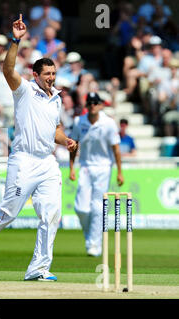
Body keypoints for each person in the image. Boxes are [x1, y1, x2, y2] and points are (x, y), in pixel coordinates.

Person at [0, 15, 77, 282]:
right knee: (8, 213)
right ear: (35, 75)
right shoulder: (24, 89)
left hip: (47, 162)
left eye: (53, 74)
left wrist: (66, 140)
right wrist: (15, 40)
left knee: (51, 215)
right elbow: (8, 70)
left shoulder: (55, 98)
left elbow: (54, 129)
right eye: (47, 74)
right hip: (23, 160)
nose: (51, 78)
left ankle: (39, 268)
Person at [69, 92, 124, 257]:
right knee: (81, 208)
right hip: (85, 166)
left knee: (97, 206)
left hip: (103, 167)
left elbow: (116, 149)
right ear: (87, 105)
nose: (93, 105)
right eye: (90, 102)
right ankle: (90, 237)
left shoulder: (108, 123)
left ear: (100, 105)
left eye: (95, 102)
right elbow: (74, 145)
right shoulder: (79, 121)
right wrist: (72, 167)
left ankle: (95, 244)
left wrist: (119, 172)